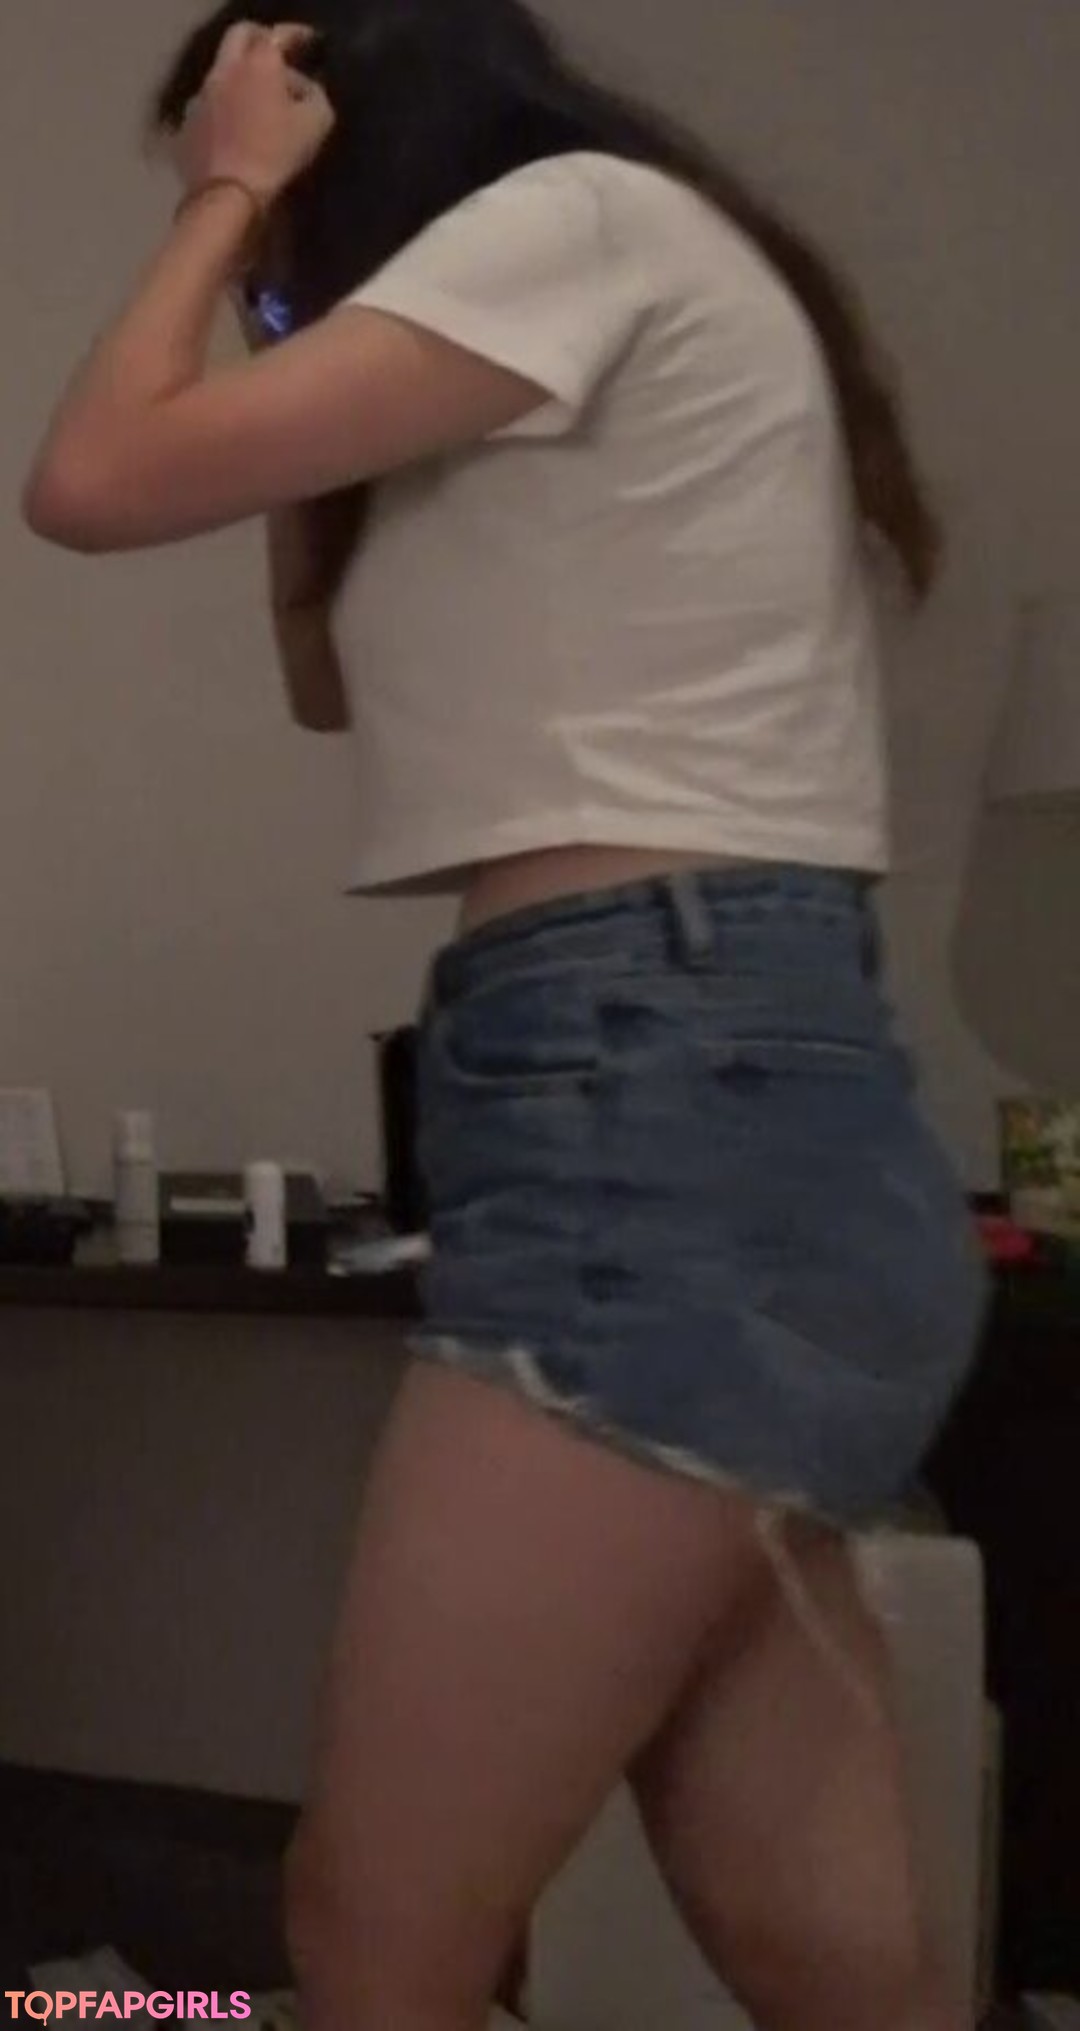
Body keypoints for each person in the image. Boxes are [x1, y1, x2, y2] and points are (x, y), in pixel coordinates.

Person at [23, 4, 988, 2026]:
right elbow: (328, 684)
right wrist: (290, 337)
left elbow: (92, 475)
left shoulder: (578, 222)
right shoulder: (537, 321)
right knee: (836, 1962)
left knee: (376, 1931)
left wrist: (227, 197)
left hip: (655, 1077)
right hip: (719, 1082)